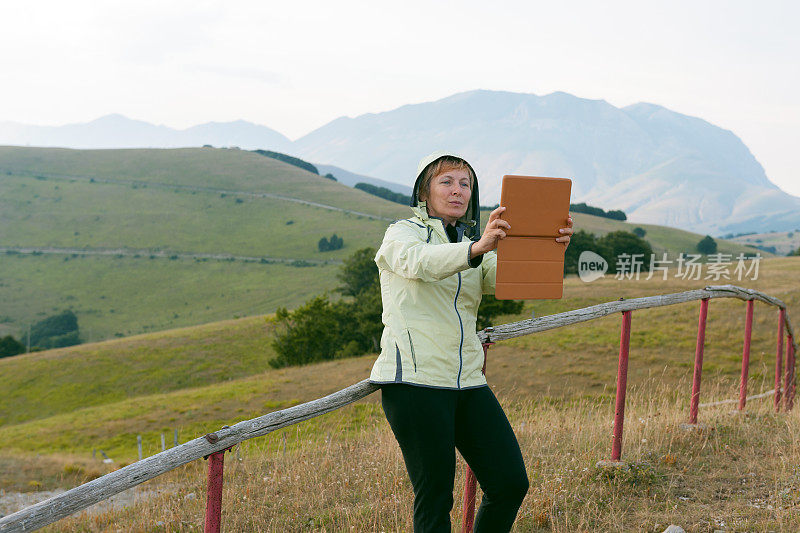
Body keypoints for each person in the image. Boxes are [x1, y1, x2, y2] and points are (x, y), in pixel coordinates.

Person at [368, 150, 573, 532]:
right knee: (435, 499)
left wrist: (551, 245)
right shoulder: (402, 234)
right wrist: (477, 249)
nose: (458, 190)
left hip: (467, 381)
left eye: (466, 184)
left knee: (511, 483)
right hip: (415, 382)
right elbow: (421, 263)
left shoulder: (472, 242)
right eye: (446, 181)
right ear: (423, 192)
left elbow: (514, 280)